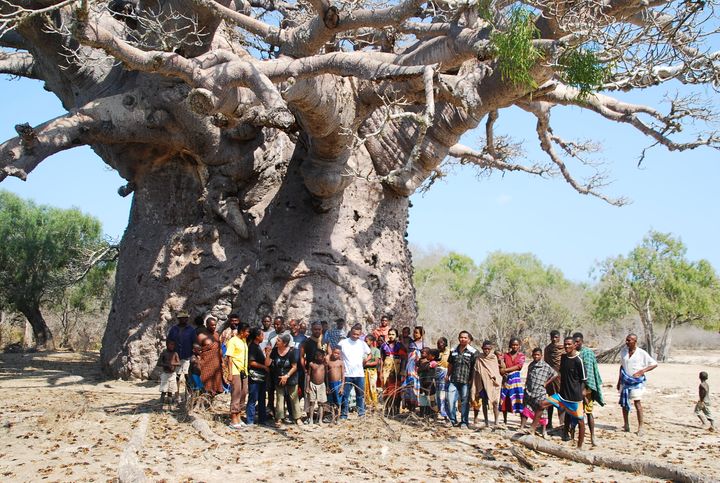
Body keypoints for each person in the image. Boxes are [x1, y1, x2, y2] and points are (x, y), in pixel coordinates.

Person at [529, 337, 587, 448]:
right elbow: (560, 373)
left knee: (580, 421)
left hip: (574, 398)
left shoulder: (578, 361)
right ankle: (532, 429)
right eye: (565, 344)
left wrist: (581, 393)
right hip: (561, 395)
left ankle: (579, 446)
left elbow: (584, 379)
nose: (567, 346)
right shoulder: (564, 357)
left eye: (569, 344)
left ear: (575, 345)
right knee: (542, 404)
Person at [617, 333, 657, 435]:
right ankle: (626, 424)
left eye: (629, 340)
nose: (627, 342)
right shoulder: (623, 351)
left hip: (636, 382)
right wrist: (619, 380)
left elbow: (654, 364)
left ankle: (640, 427)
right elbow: (622, 366)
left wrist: (642, 371)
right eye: (626, 340)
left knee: (637, 403)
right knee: (624, 403)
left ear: (635, 341)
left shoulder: (641, 353)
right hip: (625, 381)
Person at [573, 332, 604, 446]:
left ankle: (592, 436)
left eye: (577, 342)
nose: (576, 344)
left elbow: (590, 374)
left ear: (581, 341)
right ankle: (572, 436)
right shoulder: (572, 354)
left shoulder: (588, 353)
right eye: (574, 342)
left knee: (588, 413)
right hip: (575, 389)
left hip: (587, 389)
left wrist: (586, 391)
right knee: (575, 413)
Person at [266, 333, 302, 427]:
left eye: (278, 340)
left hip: (291, 378)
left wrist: (287, 376)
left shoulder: (292, 351)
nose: (276, 342)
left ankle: (297, 418)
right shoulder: (274, 351)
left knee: (293, 398)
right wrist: (268, 353)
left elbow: (294, 367)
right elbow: (267, 364)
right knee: (279, 398)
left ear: (285, 343)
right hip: (278, 378)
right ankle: (279, 418)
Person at [520, 347, 558, 437]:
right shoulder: (531, 365)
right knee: (526, 408)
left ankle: (544, 431)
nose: (536, 356)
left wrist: (546, 383)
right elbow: (528, 377)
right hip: (530, 391)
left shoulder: (545, 366)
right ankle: (522, 427)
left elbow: (555, 374)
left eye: (538, 355)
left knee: (542, 411)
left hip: (540, 392)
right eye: (534, 355)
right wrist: (526, 387)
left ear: (541, 356)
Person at [339, 324, 371, 419]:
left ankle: (361, 414)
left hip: (359, 374)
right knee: (345, 395)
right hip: (347, 373)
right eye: (354, 334)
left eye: (357, 334)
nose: (355, 336)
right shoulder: (343, 342)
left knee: (360, 395)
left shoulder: (362, 343)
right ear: (351, 332)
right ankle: (344, 414)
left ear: (360, 334)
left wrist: (365, 361)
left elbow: (370, 354)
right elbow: (335, 351)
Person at [446, 331, 477, 429]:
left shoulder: (473, 352)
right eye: (461, 337)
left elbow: (474, 368)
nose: (463, 339)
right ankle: (453, 420)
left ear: (469, 340)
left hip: (466, 381)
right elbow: (450, 364)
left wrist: (472, 381)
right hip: (454, 380)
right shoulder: (453, 350)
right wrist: (447, 375)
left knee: (464, 402)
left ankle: (464, 422)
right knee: (450, 401)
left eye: (465, 338)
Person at [167, 310, 196, 403]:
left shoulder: (191, 330)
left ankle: (190, 395)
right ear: (179, 319)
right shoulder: (173, 330)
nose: (184, 319)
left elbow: (194, 342)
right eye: (182, 318)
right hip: (176, 357)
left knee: (188, 376)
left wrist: (193, 354)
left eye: (185, 317)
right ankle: (176, 395)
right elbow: (169, 341)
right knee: (176, 376)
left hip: (187, 356)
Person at [472, 340, 502, 427]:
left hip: (492, 383)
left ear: (491, 349)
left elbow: (496, 371)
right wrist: (474, 383)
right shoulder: (479, 357)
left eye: (488, 349)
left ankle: (496, 421)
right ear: (482, 348)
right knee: (484, 402)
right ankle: (486, 421)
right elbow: (476, 370)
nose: (486, 350)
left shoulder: (493, 358)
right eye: (485, 349)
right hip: (481, 382)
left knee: (495, 402)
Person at [225, 322, 250, 428]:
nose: (248, 333)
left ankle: (239, 416)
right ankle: (233, 418)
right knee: (236, 393)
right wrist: (230, 373)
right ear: (241, 331)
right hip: (235, 370)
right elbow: (229, 358)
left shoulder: (244, 341)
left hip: (244, 371)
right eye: (247, 331)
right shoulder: (233, 341)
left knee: (244, 393)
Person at [500, 337, 525, 424]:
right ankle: (505, 420)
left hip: (516, 380)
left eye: (516, 345)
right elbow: (500, 363)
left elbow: (519, 366)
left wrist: (505, 370)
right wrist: (503, 371)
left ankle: (522, 423)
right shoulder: (505, 355)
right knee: (505, 399)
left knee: (519, 399)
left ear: (519, 346)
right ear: (510, 345)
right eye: (513, 345)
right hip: (506, 380)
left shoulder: (521, 356)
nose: (515, 346)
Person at [246, 327, 268, 426]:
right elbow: (251, 362)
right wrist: (264, 366)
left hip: (261, 377)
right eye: (262, 335)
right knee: (253, 398)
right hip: (255, 376)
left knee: (262, 398)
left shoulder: (258, 346)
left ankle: (262, 419)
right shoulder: (253, 347)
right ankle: (250, 420)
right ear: (257, 336)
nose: (263, 337)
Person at [198, 315, 224, 395]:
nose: (214, 327)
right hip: (206, 364)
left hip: (216, 363)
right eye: (212, 325)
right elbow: (197, 351)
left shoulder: (216, 335)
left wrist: (222, 361)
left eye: (215, 325)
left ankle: (211, 402)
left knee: (216, 384)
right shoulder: (201, 336)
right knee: (206, 384)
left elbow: (219, 348)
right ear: (207, 325)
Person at [402, 326, 425, 413]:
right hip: (409, 367)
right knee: (407, 386)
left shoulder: (423, 344)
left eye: (417, 333)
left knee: (416, 386)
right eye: (414, 332)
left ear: (421, 334)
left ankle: (416, 406)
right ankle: (409, 407)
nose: (415, 334)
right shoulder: (411, 343)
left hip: (417, 368)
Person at [544, 330, 564, 429]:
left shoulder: (563, 349)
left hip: (561, 377)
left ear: (559, 337)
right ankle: (549, 422)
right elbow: (546, 363)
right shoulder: (547, 349)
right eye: (552, 337)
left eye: (556, 337)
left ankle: (562, 423)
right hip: (550, 378)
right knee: (550, 400)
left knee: (561, 399)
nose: (554, 339)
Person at [307, 349, 328, 425]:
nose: (322, 358)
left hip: (322, 385)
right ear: (316, 357)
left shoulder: (324, 365)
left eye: (322, 357)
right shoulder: (311, 364)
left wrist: (327, 386)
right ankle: (311, 419)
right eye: (320, 357)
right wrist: (307, 386)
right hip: (312, 384)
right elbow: (309, 375)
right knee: (312, 403)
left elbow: (326, 377)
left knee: (321, 403)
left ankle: (320, 420)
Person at [158, 339, 180, 404]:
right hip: (165, 373)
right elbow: (159, 363)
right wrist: (166, 365)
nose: (172, 346)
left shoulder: (175, 353)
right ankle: (161, 403)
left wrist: (172, 364)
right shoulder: (164, 353)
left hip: (172, 374)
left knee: (171, 389)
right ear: (167, 345)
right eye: (171, 345)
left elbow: (179, 363)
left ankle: (169, 403)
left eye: (173, 345)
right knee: (164, 390)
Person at [418, 348, 438, 417]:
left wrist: (422, 366)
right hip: (423, 382)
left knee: (430, 399)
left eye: (428, 354)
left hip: (429, 383)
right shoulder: (424, 362)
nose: (427, 356)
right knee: (423, 398)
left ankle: (432, 413)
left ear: (433, 356)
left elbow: (423, 369)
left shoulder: (433, 363)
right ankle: (423, 413)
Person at [327, 347, 345, 422]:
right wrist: (327, 386)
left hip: (338, 383)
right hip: (330, 383)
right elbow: (326, 375)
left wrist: (342, 386)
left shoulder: (341, 362)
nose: (336, 355)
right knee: (331, 402)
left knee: (338, 402)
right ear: (332, 352)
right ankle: (333, 417)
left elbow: (343, 375)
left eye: (338, 353)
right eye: (335, 353)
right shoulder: (328, 363)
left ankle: (338, 418)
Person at [364, 334, 381, 409]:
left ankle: (374, 404)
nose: (364, 342)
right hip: (364, 371)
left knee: (372, 387)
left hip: (372, 371)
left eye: (366, 341)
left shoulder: (376, 350)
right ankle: (367, 404)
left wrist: (365, 363)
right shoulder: (363, 350)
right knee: (365, 387)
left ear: (371, 342)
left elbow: (376, 362)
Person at [435, 337, 451, 420]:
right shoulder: (436, 353)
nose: (438, 345)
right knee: (437, 395)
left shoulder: (450, 352)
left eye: (440, 343)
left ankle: (446, 414)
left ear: (445, 344)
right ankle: (439, 411)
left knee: (445, 395)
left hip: (446, 376)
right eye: (437, 343)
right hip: (437, 376)